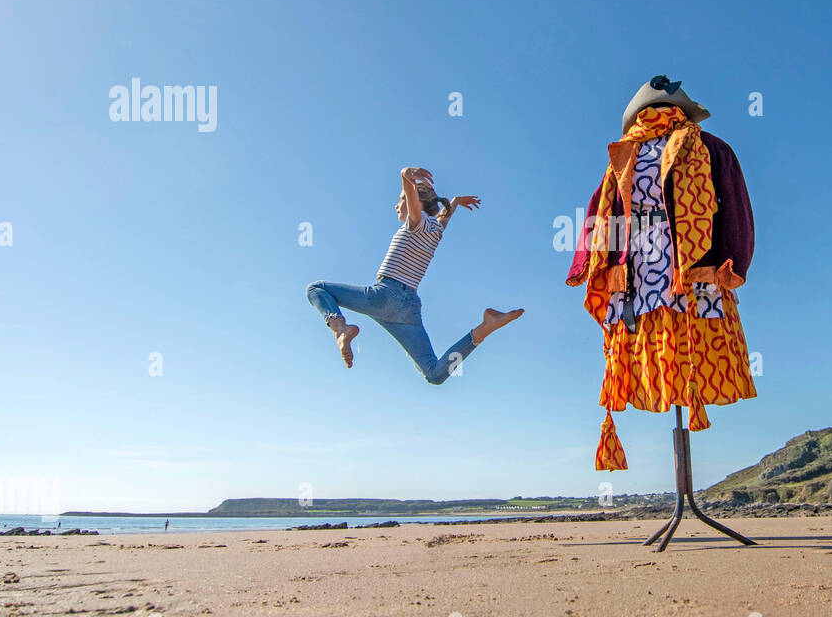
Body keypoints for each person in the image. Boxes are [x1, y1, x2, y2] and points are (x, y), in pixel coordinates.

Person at [567, 77, 757, 470]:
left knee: (690, 349)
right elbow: (600, 211)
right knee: (658, 350)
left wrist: (732, 262)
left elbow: (734, 204)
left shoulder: (708, 147)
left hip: (691, 269)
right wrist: (589, 262)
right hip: (637, 274)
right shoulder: (623, 154)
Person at [307, 166, 523, 383]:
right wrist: (455, 201)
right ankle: (484, 328)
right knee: (434, 374)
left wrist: (406, 175)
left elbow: (413, 196)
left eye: (402, 199)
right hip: (408, 310)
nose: (397, 204)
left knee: (316, 289)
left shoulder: (416, 223)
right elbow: (445, 216)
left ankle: (340, 330)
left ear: (417, 204)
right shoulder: (436, 230)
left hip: (386, 295)